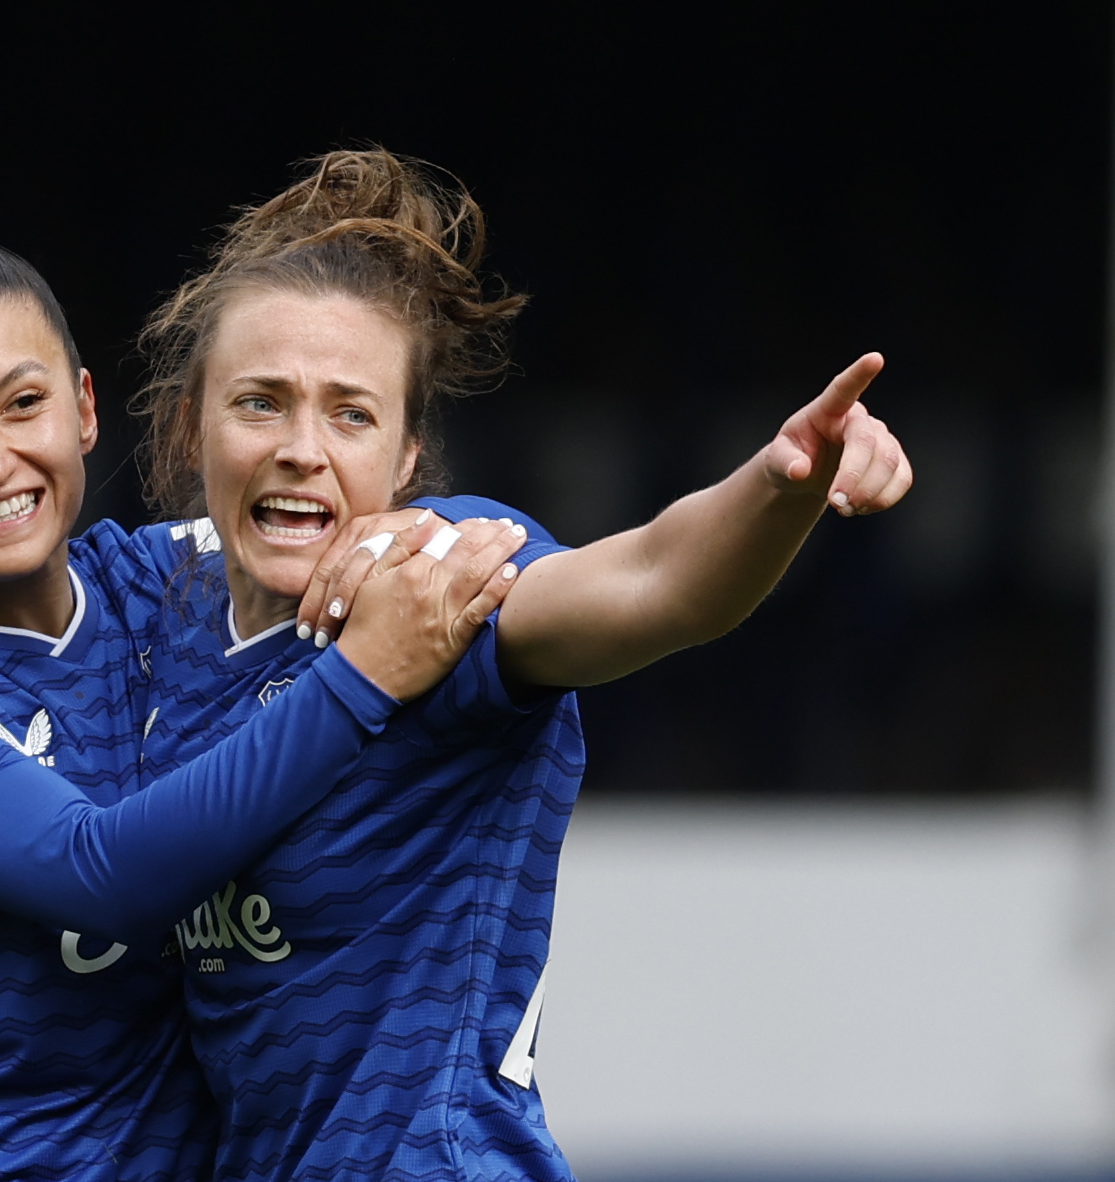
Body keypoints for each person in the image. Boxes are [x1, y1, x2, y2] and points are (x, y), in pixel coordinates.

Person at [127, 148, 912, 1181]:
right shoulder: (153, 628)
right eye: (260, 402)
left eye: (350, 413)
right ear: (193, 427)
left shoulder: (442, 579)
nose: (300, 448)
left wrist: (780, 485)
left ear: (406, 458)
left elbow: (653, 582)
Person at [0, 221, 527, 1181]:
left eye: (23, 404)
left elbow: (340, 530)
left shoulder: (165, 583)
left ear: (84, 410)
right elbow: (100, 876)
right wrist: (368, 672)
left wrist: (433, 536)